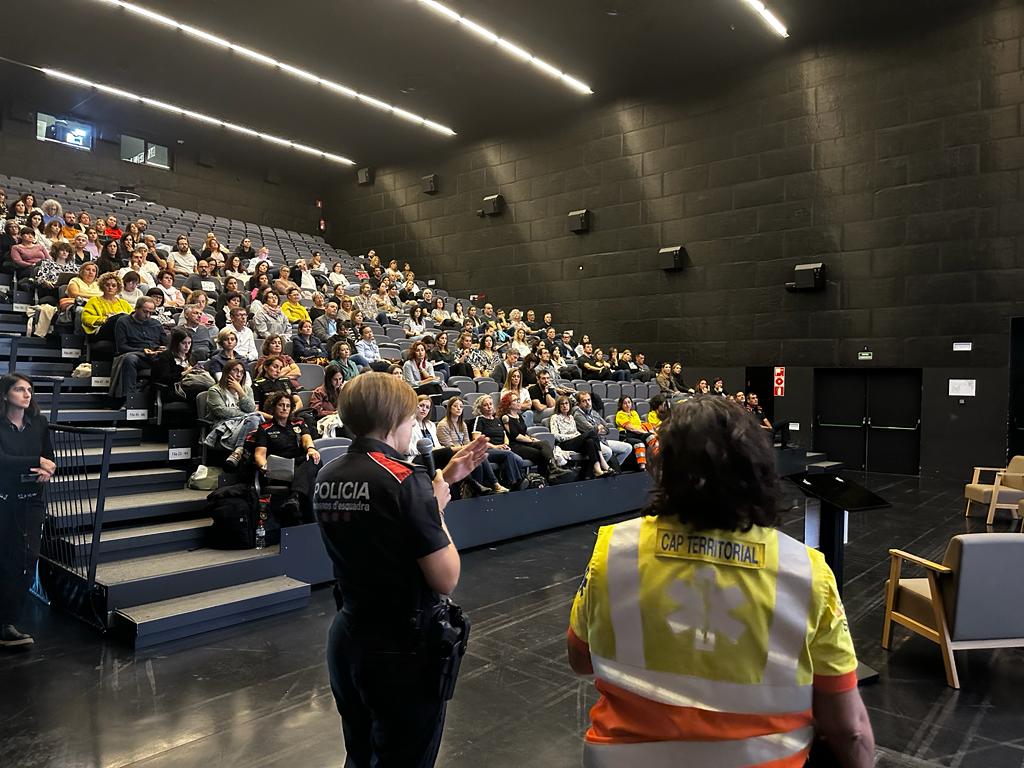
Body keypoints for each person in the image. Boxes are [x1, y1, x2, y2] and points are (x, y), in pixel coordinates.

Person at [567, 397, 874, 767]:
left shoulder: (613, 549)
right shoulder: (806, 571)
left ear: (665, 470)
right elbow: (850, 729)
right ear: (758, 469)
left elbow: (580, 659)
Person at [315, 373, 488, 767]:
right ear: (394, 420)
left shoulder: (328, 474)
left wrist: (439, 485)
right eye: (411, 419)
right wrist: (434, 503)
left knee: (359, 754)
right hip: (400, 647)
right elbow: (446, 577)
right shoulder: (406, 480)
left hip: (348, 635)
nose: (414, 427)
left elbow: (384, 534)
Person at [0, 373, 55, 649]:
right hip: (3, 498)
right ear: (5, 394)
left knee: (26, 558)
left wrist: (48, 468)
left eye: (29, 390)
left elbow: (50, 457)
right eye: (20, 389)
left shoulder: (39, 423)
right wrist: (37, 461)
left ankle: (7, 622)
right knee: (4, 557)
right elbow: (2, 460)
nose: (27, 394)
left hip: (32, 499)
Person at [252, 391, 320, 522]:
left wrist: (311, 449)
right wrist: (263, 466)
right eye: (281, 405)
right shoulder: (265, 428)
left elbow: (307, 439)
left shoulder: (298, 423)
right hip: (280, 467)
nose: (285, 408)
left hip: (299, 465)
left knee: (314, 459)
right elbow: (260, 454)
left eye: (288, 406)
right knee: (310, 482)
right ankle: (306, 523)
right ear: (273, 407)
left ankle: (295, 498)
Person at [434, 396, 508, 494]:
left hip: (463, 450)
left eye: (461, 406)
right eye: (455, 406)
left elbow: (467, 441)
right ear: (449, 408)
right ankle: (494, 484)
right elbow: (448, 448)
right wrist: (466, 448)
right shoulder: (443, 425)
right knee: (478, 457)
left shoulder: (462, 424)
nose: (458, 408)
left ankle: (479, 489)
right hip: (452, 454)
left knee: (479, 459)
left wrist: (467, 448)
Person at [497, 393, 569, 481]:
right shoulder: (505, 418)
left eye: (518, 400)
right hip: (514, 445)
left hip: (524, 442)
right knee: (540, 453)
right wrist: (531, 440)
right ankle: (548, 475)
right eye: (515, 400)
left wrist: (531, 438)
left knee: (544, 443)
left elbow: (523, 433)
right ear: (508, 404)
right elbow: (515, 436)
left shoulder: (519, 416)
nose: (519, 402)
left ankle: (553, 469)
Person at [470, 394, 529, 489]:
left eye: (490, 404)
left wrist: (505, 444)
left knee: (519, 460)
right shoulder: (480, 419)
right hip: (487, 450)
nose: (489, 407)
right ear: (480, 408)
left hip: (500, 449)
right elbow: (476, 439)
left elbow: (504, 435)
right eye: (485, 405)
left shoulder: (497, 420)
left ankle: (506, 481)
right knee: (509, 455)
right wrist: (495, 447)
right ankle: (515, 483)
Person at [110, 297, 165, 399]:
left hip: (155, 355)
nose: (148, 315)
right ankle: (129, 398)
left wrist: (162, 349)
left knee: (168, 359)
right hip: (136, 354)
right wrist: (142, 350)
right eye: (145, 312)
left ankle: (160, 398)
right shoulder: (123, 322)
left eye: (151, 313)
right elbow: (121, 347)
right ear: (136, 308)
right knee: (130, 359)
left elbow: (165, 344)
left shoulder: (156, 324)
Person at [549, 395, 611, 479]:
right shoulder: (555, 417)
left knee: (590, 441)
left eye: (566, 403)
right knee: (592, 432)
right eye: (562, 404)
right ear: (558, 406)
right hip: (563, 444)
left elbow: (576, 432)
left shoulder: (571, 417)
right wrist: (573, 436)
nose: (564, 406)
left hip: (575, 442)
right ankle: (603, 463)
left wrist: (577, 436)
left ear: (569, 405)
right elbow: (555, 436)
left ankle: (597, 470)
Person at [573, 390, 633, 469]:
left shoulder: (593, 412)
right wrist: (598, 428)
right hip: (592, 443)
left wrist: (600, 429)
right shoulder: (578, 415)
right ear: (579, 404)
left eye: (589, 400)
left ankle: (613, 468)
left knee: (628, 448)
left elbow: (607, 428)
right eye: (584, 401)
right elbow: (592, 430)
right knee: (608, 452)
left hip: (603, 440)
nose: (588, 403)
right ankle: (596, 470)